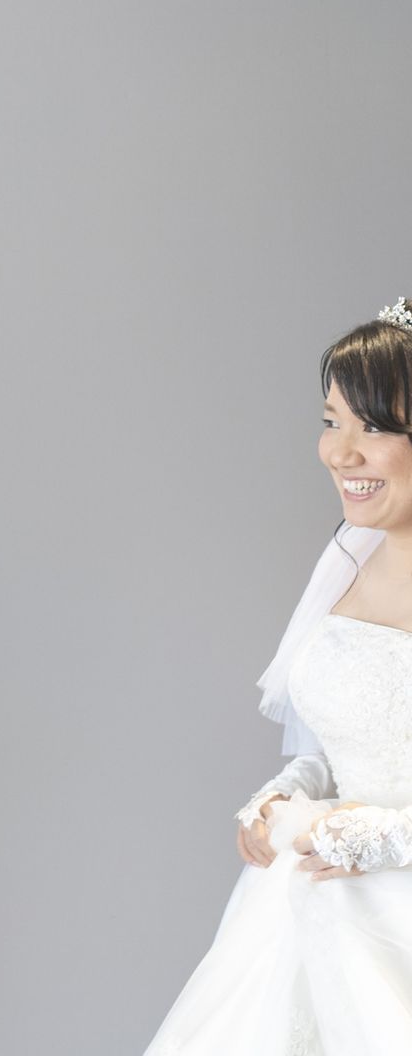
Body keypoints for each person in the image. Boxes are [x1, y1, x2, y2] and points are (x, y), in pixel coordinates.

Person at [145, 297, 412, 1054]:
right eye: (331, 421)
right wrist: (289, 789)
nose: (340, 453)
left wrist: (389, 838)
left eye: (375, 427)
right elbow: (360, 740)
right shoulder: (351, 562)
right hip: (307, 907)